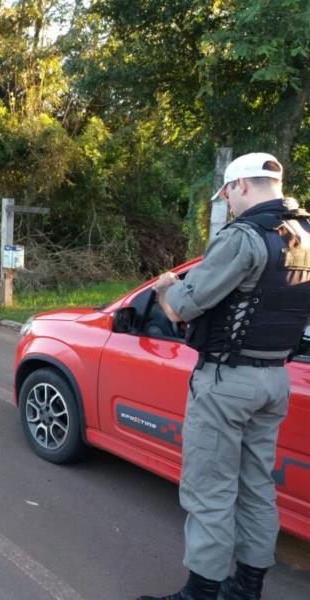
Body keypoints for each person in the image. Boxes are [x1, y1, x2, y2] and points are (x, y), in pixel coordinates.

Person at [138, 153, 310, 600]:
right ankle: (247, 587)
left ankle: (201, 592)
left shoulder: (243, 237)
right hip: (276, 379)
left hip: (227, 382)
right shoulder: (306, 235)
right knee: (257, 487)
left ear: (241, 187)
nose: (228, 205)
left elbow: (181, 307)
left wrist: (163, 288)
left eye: (228, 195)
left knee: (209, 491)